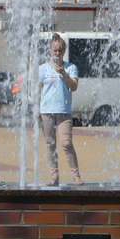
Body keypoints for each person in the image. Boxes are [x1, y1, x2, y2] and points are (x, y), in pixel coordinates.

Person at [39, 33, 83, 186]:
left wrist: (63, 72)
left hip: (64, 111)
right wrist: (36, 111)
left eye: (60, 51)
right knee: (50, 144)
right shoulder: (43, 69)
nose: (57, 53)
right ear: (50, 51)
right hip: (46, 111)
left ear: (64, 51)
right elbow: (38, 90)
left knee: (66, 143)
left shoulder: (71, 68)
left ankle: (76, 176)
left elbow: (74, 87)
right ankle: (54, 176)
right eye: (54, 50)